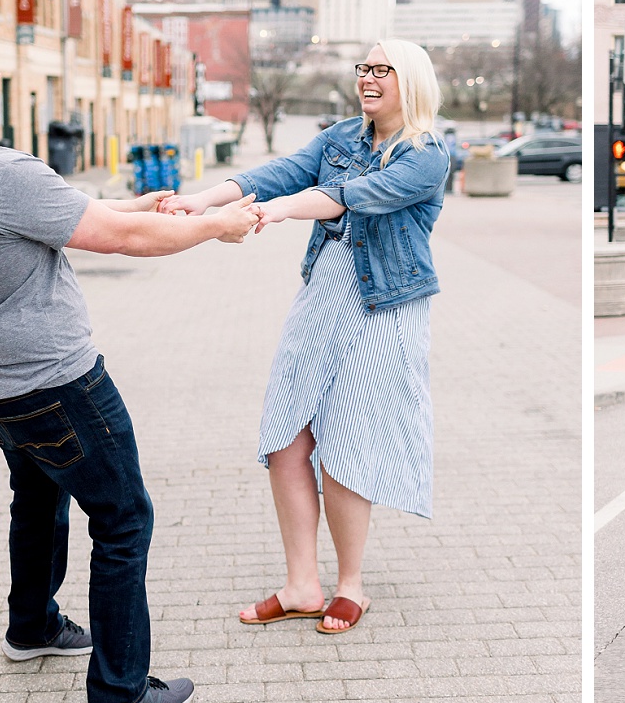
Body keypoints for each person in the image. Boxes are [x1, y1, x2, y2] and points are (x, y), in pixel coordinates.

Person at [0, 5, 260, 703]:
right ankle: (119, 695)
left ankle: (32, 625)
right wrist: (214, 224)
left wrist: (143, 203)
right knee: (123, 519)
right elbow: (119, 239)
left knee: (39, 497)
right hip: (60, 385)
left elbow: (72, 213)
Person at [162, 39, 449, 634]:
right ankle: (301, 585)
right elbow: (277, 174)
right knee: (287, 434)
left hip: (383, 308)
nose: (368, 78)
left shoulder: (426, 155)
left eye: (382, 69)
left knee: (346, 438)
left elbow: (352, 197)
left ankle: (350, 586)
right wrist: (202, 201)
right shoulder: (341, 137)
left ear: (410, 80)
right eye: (363, 68)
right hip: (322, 297)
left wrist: (279, 212)